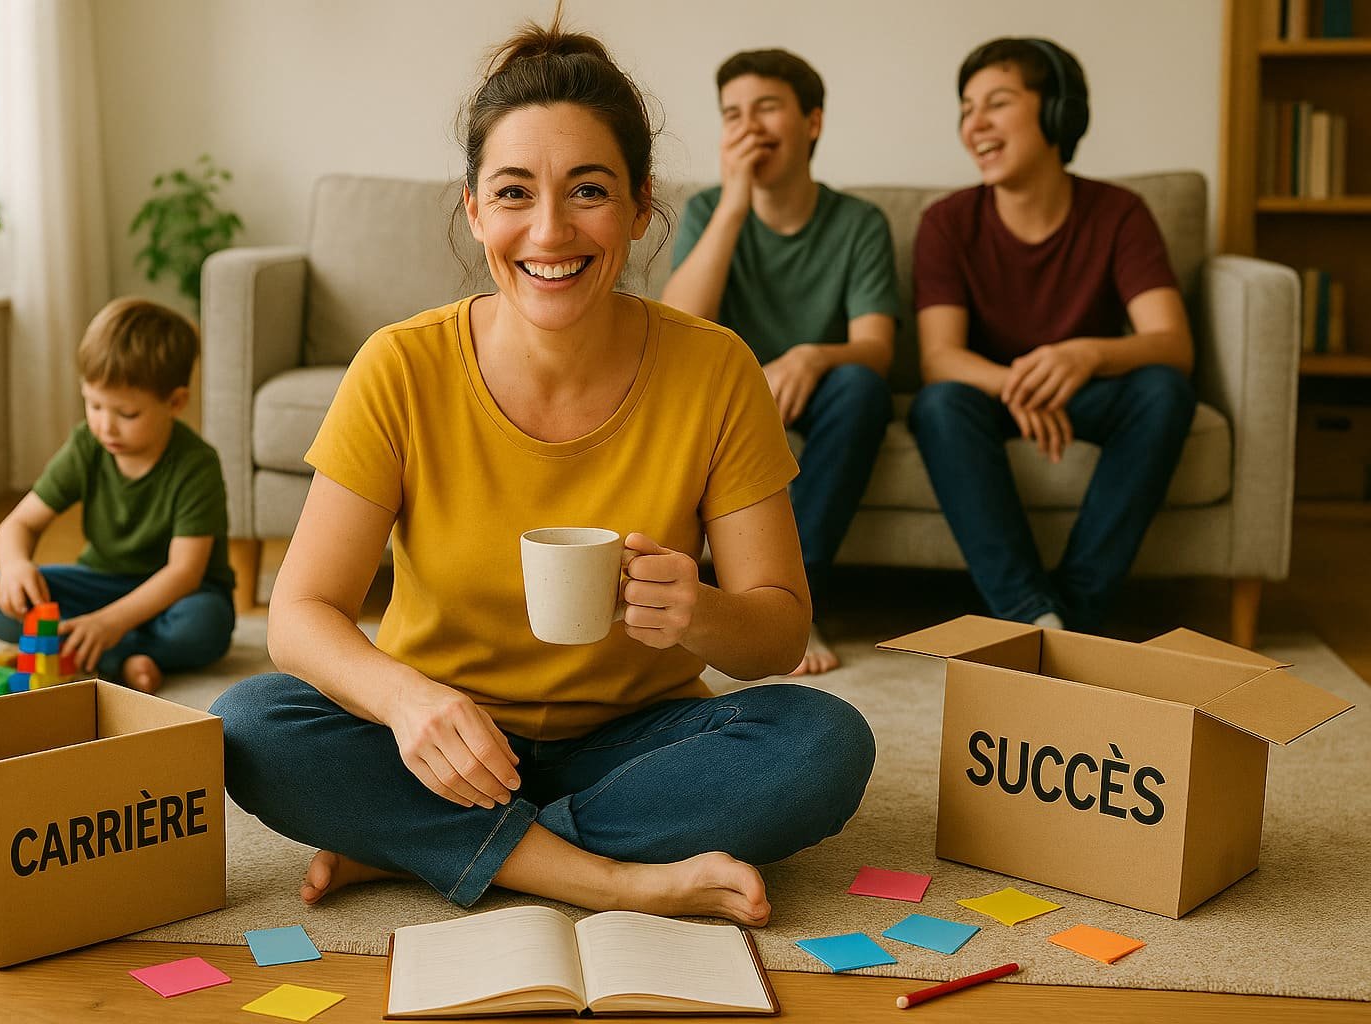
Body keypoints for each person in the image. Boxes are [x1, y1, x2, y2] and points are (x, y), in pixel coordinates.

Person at [210, 20, 875, 927]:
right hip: (441, 738)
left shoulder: (716, 371)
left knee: (823, 743)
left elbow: (777, 630)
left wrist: (702, 611)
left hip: (632, 741)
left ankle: (431, 845)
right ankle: (605, 876)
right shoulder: (401, 367)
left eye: (589, 191)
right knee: (252, 724)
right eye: (514, 192)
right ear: (475, 208)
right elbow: (297, 615)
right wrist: (409, 704)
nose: (550, 231)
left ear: (642, 206)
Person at [909, 37, 1196, 633]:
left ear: (1059, 113)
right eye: (966, 108)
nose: (975, 124)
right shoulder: (946, 221)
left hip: (1082, 392)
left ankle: (1077, 614)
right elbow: (940, 358)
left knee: (1164, 391)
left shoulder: (1121, 213)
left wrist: (1087, 352)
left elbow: (1171, 342)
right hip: (989, 396)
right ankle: (1029, 614)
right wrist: (1019, 383)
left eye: (997, 102)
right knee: (938, 405)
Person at [662, 49, 899, 677]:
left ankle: (794, 601)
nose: (748, 126)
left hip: (821, 390)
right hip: (730, 394)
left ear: (812, 122)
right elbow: (678, 329)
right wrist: (736, 202)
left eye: (766, 107)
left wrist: (811, 356)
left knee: (863, 386)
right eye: (732, 113)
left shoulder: (859, 223)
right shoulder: (710, 213)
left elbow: (877, 346)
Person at [0, 297, 236, 693]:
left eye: (127, 414)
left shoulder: (196, 464)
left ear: (175, 402)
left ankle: (99, 648)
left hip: (178, 596)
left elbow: (184, 573)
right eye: (93, 405)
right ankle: (126, 656)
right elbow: (20, 523)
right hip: (101, 581)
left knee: (206, 624)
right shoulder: (86, 445)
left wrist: (110, 623)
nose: (105, 426)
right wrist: (14, 566)